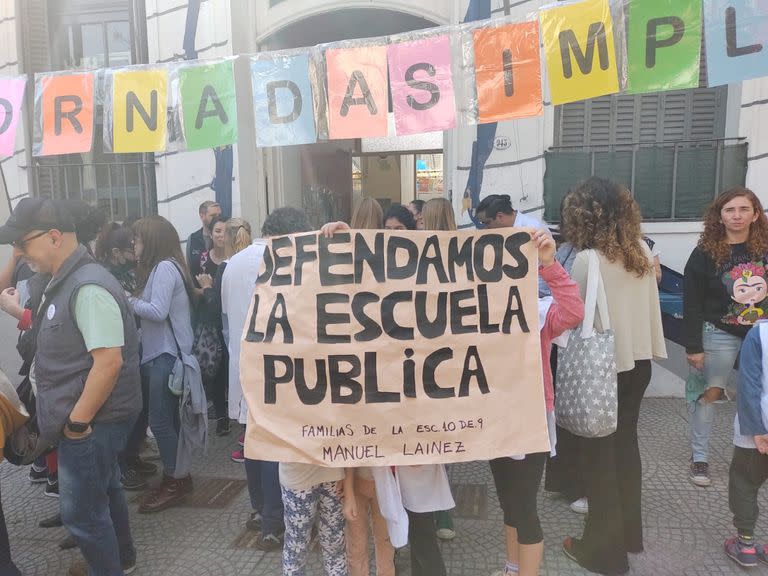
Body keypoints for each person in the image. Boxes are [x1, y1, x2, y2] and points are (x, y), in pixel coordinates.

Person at [0, 198, 142, 576]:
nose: (18, 253)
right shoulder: (63, 280)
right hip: (89, 420)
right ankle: (123, 558)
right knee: (106, 488)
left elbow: (109, 362)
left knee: (81, 514)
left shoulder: (87, 285)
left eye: (22, 244)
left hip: (91, 423)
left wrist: (77, 423)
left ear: (53, 237)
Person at [560, 177, 667, 575]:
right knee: (626, 448)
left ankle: (604, 554)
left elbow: (573, 314)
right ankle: (630, 536)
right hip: (639, 364)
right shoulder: (640, 250)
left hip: (602, 368)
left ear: (584, 216)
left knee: (598, 459)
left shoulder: (589, 259)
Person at [490, 228, 584, 576]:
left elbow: (574, 312)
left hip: (530, 419)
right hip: (492, 419)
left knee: (524, 506)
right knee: (508, 502)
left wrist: (549, 264)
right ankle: (512, 568)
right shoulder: (472, 316)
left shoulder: (539, 313)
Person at [224, 209, 314, 550]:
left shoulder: (233, 262)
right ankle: (276, 522)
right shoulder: (289, 259)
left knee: (254, 440)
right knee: (276, 444)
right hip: (280, 368)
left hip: (245, 368)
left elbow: (226, 315)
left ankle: (261, 509)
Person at [683, 188, 768, 488]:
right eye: (730, 210)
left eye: (744, 209)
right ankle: (700, 456)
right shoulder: (705, 252)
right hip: (718, 333)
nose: (736, 215)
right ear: (719, 215)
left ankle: (755, 454)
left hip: (761, 334)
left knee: (759, 394)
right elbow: (691, 300)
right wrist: (693, 346)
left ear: (756, 214)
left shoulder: (765, 248)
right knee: (711, 393)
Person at [129, 215, 197, 513]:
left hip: (166, 357)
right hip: (161, 355)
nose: (134, 243)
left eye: (138, 238)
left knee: (160, 422)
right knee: (167, 421)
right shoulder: (166, 266)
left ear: (152, 241)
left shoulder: (165, 268)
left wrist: (125, 298)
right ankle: (178, 475)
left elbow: (157, 311)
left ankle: (175, 480)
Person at [95, 222, 159, 491]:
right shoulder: (107, 277)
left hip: (138, 347)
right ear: (115, 252)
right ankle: (121, 466)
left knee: (140, 408)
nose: (135, 251)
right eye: (130, 247)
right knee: (123, 412)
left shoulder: (132, 272)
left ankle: (131, 457)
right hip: (119, 351)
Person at [725, 319, 768, 566]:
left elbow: (748, 383)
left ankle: (746, 545)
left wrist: (756, 429)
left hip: (757, 425)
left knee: (744, 481)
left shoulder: (759, 334)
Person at [196, 215, 229, 435]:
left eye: (225, 231)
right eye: (217, 231)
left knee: (230, 366)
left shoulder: (235, 259)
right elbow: (194, 286)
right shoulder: (203, 258)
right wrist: (206, 290)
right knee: (216, 370)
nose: (221, 235)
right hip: (211, 321)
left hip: (230, 319)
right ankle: (222, 416)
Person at [186, 200, 222, 282]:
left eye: (219, 215)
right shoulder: (193, 239)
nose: (217, 218)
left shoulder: (224, 238)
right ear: (202, 216)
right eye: (213, 216)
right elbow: (189, 269)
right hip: (198, 291)